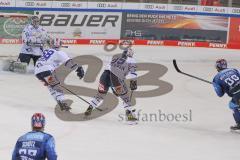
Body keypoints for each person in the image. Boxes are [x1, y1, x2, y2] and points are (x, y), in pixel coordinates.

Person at [84, 47, 138, 122]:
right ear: (131, 55)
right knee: (125, 96)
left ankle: (89, 108)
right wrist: (133, 83)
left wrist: (113, 88)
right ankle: (129, 114)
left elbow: (110, 71)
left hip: (104, 76)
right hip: (116, 79)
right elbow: (133, 73)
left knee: (100, 95)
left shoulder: (115, 58)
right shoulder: (132, 60)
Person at [34, 38, 84, 111]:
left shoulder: (46, 51)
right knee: (56, 87)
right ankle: (62, 103)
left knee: (51, 87)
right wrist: (78, 69)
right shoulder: (59, 53)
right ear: (60, 45)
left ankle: (60, 102)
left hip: (37, 72)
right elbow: (69, 62)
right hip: (46, 71)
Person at [212, 59, 240, 130]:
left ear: (217, 67)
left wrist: (220, 87)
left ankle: (239, 123)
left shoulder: (216, 78)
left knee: (232, 105)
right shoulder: (234, 70)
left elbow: (220, 94)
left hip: (238, 95)